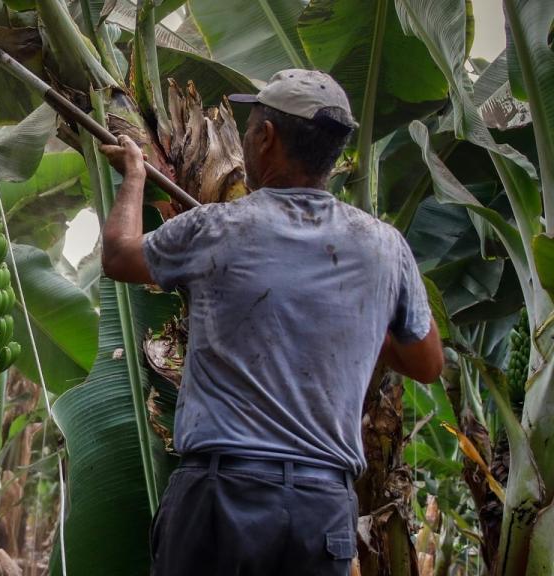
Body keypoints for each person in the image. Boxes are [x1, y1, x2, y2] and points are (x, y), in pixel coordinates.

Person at [99, 69, 444, 576]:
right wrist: (353, 314)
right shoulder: (384, 248)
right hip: (320, 510)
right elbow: (428, 362)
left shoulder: (218, 227)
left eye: (250, 124)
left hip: (221, 498)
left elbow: (119, 256)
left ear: (265, 137)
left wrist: (134, 175)